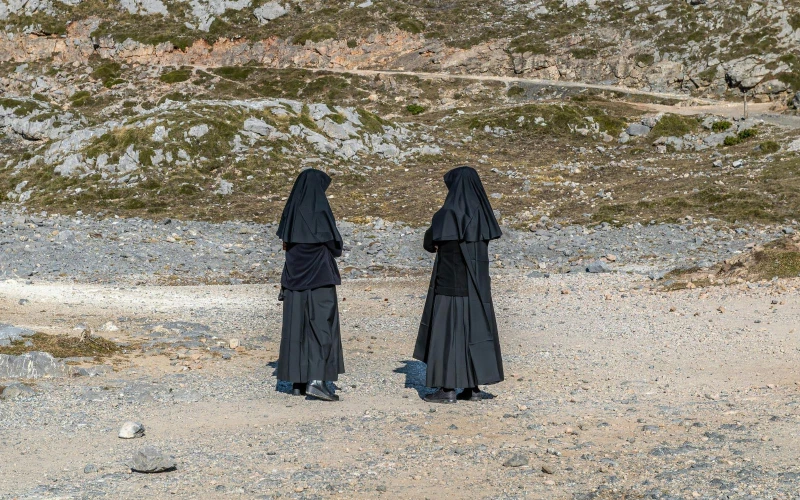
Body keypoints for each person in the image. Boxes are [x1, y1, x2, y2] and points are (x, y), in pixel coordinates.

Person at [414, 166, 504, 403]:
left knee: (448, 335)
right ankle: (472, 389)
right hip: (478, 287)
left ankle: (447, 389)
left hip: (450, 285)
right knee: (473, 332)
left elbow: (429, 242)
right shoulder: (483, 214)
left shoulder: (446, 214)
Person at [275, 168, 344, 402]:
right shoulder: (320, 211)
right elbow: (335, 246)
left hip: (294, 281)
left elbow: (287, 244)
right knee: (321, 328)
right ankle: (317, 381)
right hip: (319, 279)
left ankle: (298, 383)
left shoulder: (291, 212)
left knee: (297, 329)